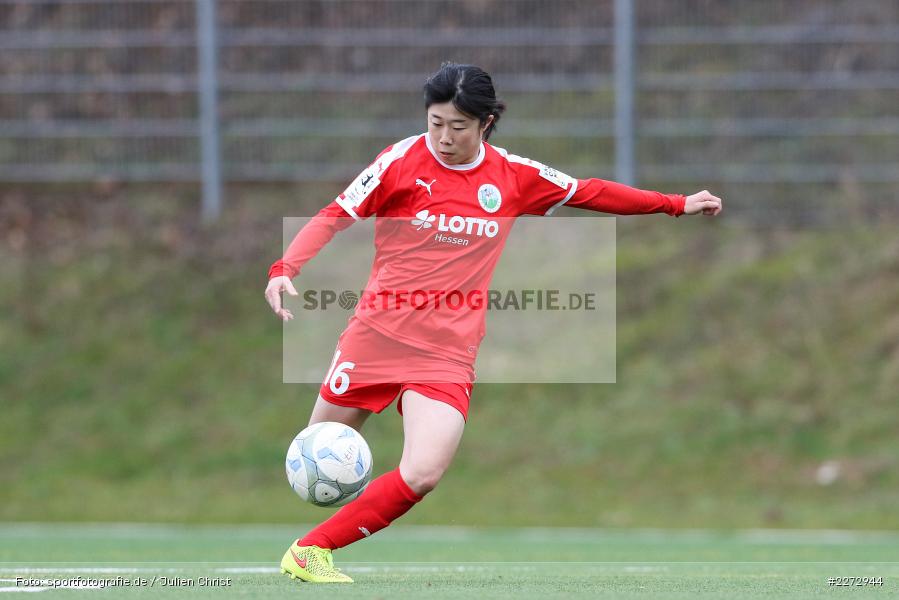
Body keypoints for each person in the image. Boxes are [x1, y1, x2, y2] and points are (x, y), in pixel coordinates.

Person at [265, 62, 723, 583]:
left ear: (485, 123)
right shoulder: (398, 161)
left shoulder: (512, 176)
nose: (443, 137)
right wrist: (285, 268)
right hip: (376, 336)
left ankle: (310, 552)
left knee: (424, 472)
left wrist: (675, 204)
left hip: (446, 352)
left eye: (458, 126)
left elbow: (588, 191)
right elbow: (334, 214)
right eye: (435, 123)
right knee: (316, 450)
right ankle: (319, 527)